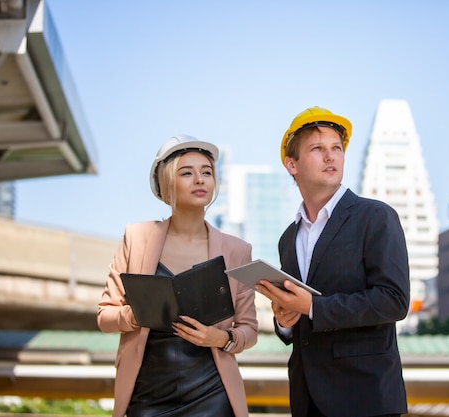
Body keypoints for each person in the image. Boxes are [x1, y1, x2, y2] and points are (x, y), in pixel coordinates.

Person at [256, 107, 410, 417]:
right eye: (317, 149)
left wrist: (311, 307)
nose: (331, 157)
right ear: (292, 164)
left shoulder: (376, 217)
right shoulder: (289, 238)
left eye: (336, 148)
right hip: (307, 399)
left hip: (367, 399)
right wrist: (286, 322)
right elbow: (300, 320)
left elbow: (394, 301)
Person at [97, 135, 258, 417]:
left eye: (206, 172)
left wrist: (218, 338)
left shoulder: (237, 250)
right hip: (146, 394)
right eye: (187, 172)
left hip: (212, 392)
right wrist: (137, 315)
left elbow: (249, 329)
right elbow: (105, 316)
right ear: (165, 184)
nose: (200, 179)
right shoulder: (136, 238)